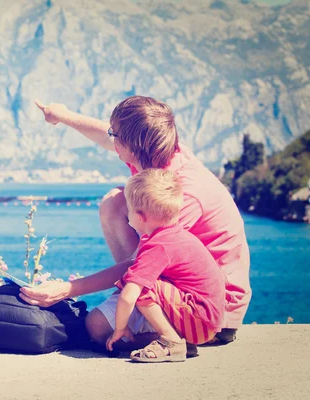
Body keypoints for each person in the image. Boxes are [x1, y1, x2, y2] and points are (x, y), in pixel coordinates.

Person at [20, 96, 251, 347]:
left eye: (116, 135)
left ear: (134, 144)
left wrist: (66, 289)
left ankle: (171, 337)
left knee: (98, 329)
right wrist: (62, 114)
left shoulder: (179, 195)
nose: (111, 139)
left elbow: (144, 260)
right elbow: (104, 136)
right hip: (181, 285)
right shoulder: (157, 155)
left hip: (210, 308)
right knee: (115, 202)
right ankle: (134, 297)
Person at [105, 168, 225, 362]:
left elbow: (128, 297)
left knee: (138, 285)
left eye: (128, 209)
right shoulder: (176, 235)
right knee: (145, 280)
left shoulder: (157, 246)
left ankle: (171, 341)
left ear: (141, 217)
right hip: (210, 320)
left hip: (200, 321)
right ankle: (178, 340)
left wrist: (120, 328)